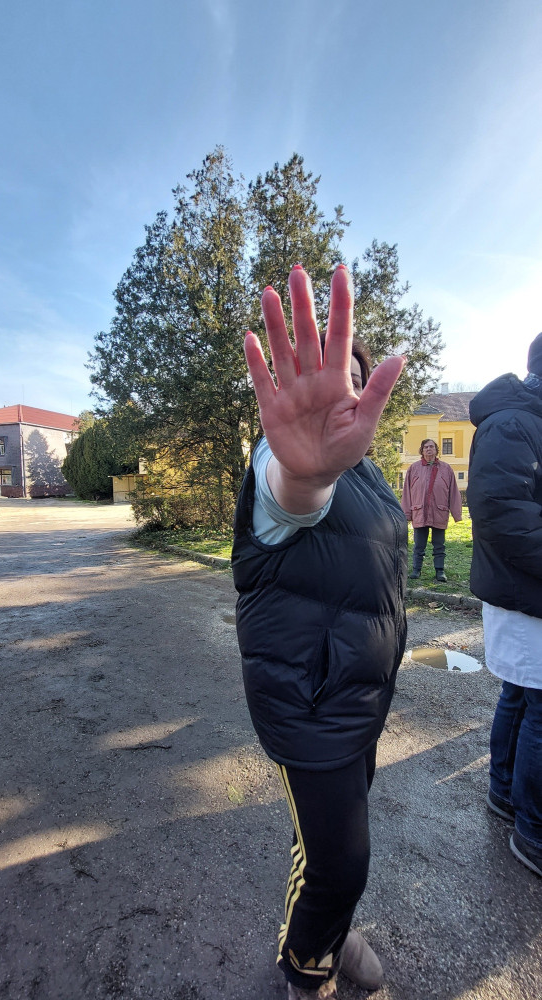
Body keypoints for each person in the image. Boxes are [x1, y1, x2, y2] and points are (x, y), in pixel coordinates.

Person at [232, 264, 407, 999]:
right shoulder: (284, 463)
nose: (346, 394)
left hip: (358, 690)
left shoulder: (369, 474)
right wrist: (303, 472)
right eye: (333, 382)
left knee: (336, 841)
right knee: (338, 861)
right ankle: (307, 965)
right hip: (308, 698)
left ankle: (331, 932)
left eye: (356, 382)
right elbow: (293, 493)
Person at [467, 332, 542, 879]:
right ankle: (534, 830)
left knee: (521, 697)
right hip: (525, 596)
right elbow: (502, 515)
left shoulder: (525, 420)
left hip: (527, 592)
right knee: (535, 705)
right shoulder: (513, 423)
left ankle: (505, 793)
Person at [401, 438, 462, 582]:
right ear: (422, 451)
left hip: (439, 512)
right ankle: (416, 570)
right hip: (419, 512)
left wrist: (457, 514)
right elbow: (407, 492)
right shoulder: (413, 468)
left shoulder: (446, 469)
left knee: (439, 545)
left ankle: (440, 571)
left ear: (436, 450)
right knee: (418, 545)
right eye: (426, 447)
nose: (429, 449)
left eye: (432, 447)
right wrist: (406, 514)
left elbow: (453, 492)